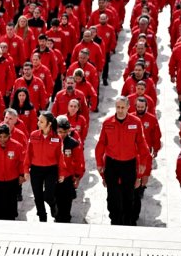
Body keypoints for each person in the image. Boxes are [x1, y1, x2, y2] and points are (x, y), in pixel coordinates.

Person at [95, 96, 149, 226]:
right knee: (112, 194)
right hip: (112, 163)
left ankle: (127, 220)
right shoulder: (108, 122)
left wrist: (142, 164)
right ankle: (114, 219)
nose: (120, 110)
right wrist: (99, 163)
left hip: (129, 164)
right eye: (118, 107)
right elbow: (101, 143)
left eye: (122, 107)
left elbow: (142, 144)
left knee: (128, 194)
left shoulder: (135, 122)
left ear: (128, 107)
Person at [27, 111, 62, 222]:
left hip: (51, 170)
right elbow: (28, 153)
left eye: (41, 121)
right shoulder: (33, 135)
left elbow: (60, 157)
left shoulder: (57, 138)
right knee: (37, 196)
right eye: (38, 120)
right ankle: (42, 218)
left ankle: (53, 205)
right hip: (36, 169)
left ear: (49, 124)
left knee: (48, 195)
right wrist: (25, 170)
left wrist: (62, 173)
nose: (38, 123)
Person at [55, 116, 84, 223]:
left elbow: (79, 161)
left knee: (66, 201)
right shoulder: (51, 141)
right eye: (59, 131)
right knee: (55, 199)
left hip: (67, 177)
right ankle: (58, 216)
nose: (61, 134)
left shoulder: (73, 143)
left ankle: (66, 218)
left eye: (64, 132)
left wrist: (77, 176)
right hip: (54, 176)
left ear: (68, 131)